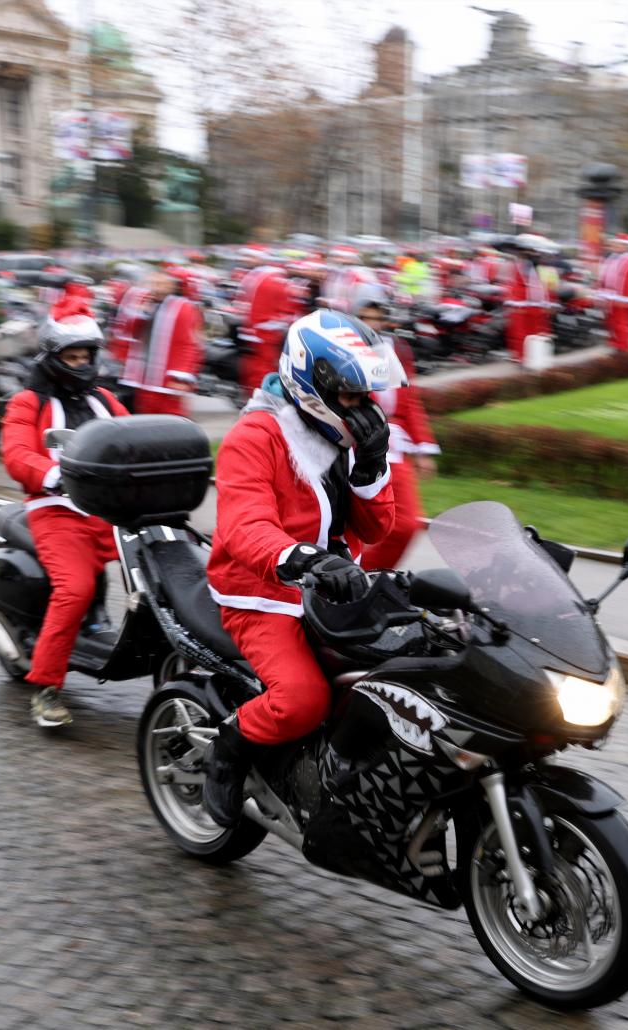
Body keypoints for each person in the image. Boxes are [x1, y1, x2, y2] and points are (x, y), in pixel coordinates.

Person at [202, 309, 398, 827]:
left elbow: (377, 530)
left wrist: (373, 469)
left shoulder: (342, 438)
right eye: (353, 397)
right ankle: (230, 746)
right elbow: (244, 528)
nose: (364, 409)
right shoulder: (255, 437)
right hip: (263, 593)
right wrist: (302, 558)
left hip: (335, 591)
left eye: (367, 397)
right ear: (315, 386)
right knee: (303, 700)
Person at [0, 316, 130, 728]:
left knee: (174, 565)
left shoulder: (105, 399)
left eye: (84, 356)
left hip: (108, 508)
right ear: (53, 359)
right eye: (70, 357)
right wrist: (55, 476)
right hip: (56, 509)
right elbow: (17, 454)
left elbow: (135, 435)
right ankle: (47, 689)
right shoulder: (28, 402)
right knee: (75, 588)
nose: (79, 363)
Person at [354, 293, 438, 571]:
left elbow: (409, 400)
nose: (373, 323)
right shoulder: (344, 349)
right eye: (366, 317)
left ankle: (366, 576)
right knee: (352, 525)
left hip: (395, 449)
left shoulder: (395, 350)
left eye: (378, 317)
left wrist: (423, 446)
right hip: (355, 445)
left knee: (405, 525)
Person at [113, 269, 203, 416]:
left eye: (162, 283)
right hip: (145, 379)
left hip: (167, 380)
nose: (156, 286)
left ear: (173, 285)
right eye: (154, 283)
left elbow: (188, 343)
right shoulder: (151, 304)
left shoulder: (183, 307)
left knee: (169, 419)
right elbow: (130, 331)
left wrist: (181, 376)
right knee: (144, 418)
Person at [238, 258, 299, 395]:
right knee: (264, 369)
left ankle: (252, 394)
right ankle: (263, 396)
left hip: (253, 331)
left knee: (254, 368)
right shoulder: (277, 280)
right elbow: (288, 310)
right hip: (266, 335)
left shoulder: (257, 276)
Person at [598, 235, 628, 352]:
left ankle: (625, 348)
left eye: (617, 244)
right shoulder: (612, 259)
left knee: (622, 323)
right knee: (612, 322)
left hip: (624, 299)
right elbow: (605, 277)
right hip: (611, 297)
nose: (614, 246)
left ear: (626, 246)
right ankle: (616, 344)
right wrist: (601, 293)